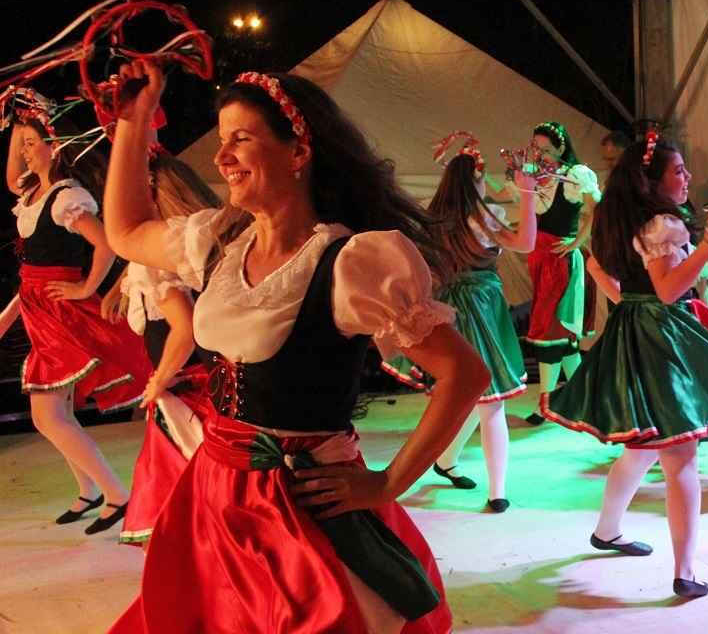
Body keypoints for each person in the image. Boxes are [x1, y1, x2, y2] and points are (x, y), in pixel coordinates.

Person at [103, 61, 489, 633]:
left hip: (299, 503)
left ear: (298, 152)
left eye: (241, 139)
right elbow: (127, 231)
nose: (221, 157)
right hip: (213, 491)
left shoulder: (352, 264)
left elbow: (464, 374)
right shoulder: (218, 243)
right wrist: (134, 122)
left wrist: (387, 482)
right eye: (222, 139)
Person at [541, 136, 708, 598]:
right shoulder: (662, 223)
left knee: (642, 446)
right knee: (680, 455)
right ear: (652, 180)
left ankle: (607, 531)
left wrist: (630, 303)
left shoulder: (615, 217)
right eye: (678, 170)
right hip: (659, 335)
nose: (687, 177)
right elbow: (667, 290)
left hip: (633, 328)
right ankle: (685, 572)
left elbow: (598, 269)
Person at [3, 93, 150, 535]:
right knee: (57, 414)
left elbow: (106, 244)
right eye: (23, 146)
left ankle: (116, 494)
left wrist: (85, 288)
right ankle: (89, 490)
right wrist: (18, 123)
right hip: (38, 310)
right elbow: (12, 175)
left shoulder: (67, 196)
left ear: (56, 146)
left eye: (33, 144)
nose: (26, 153)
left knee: (47, 416)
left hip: (60, 315)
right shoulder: (33, 192)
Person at [383, 148, 538, 512]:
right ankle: (497, 492)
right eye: (482, 179)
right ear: (475, 182)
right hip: (478, 309)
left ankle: (447, 461)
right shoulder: (482, 219)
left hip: (449, 308)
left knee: (470, 394)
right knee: (491, 401)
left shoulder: (434, 218)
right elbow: (526, 243)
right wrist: (528, 194)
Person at [117, 153, 222, 544]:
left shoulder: (157, 259)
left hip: (185, 388)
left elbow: (184, 328)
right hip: (199, 381)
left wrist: (159, 380)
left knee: (177, 495)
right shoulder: (198, 241)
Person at [504, 122, 600, 425]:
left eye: (546, 149)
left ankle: (546, 404)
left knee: (550, 333)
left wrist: (576, 242)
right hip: (541, 260)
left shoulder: (575, 174)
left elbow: (595, 208)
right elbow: (510, 197)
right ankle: (586, 399)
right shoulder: (538, 177)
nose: (541, 154)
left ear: (561, 147)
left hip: (560, 263)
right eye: (537, 147)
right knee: (562, 340)